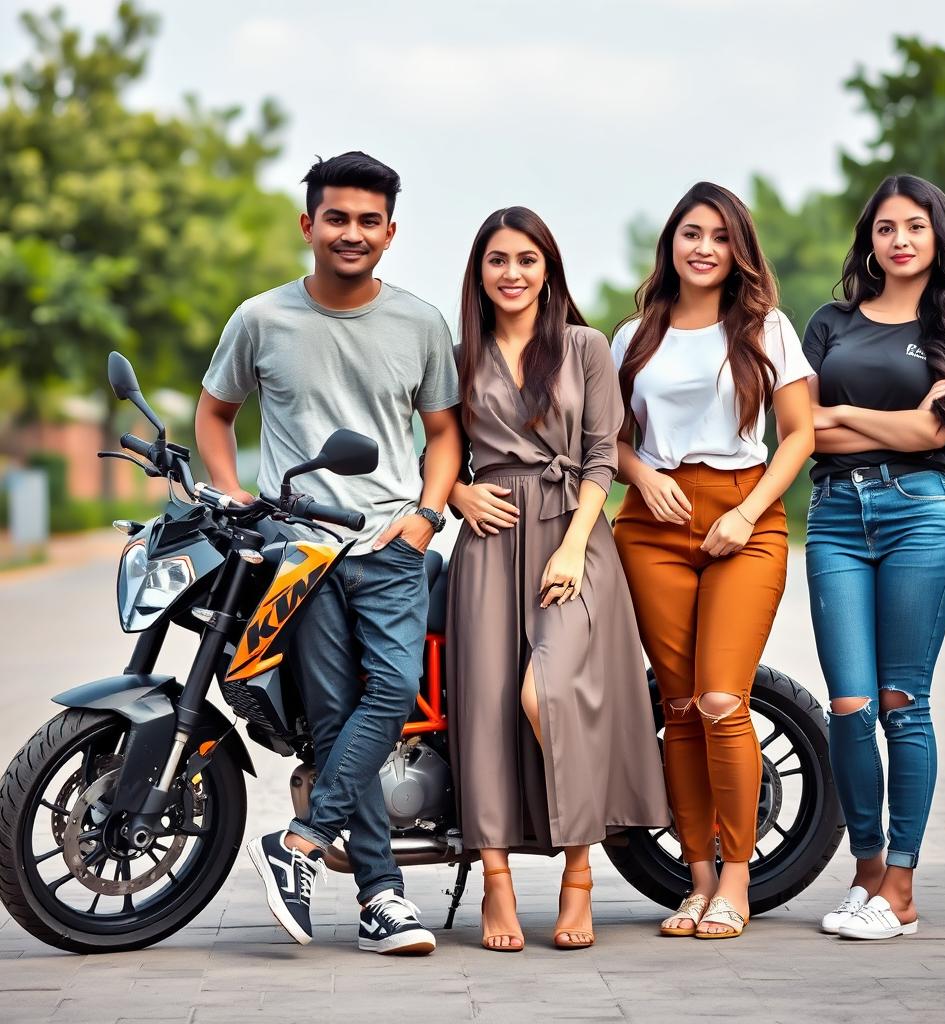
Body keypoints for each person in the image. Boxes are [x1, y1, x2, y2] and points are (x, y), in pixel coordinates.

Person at [196, 151, 462, 954]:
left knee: (394, 689)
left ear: (390, 232)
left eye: (369, 221)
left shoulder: (419, 323)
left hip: (388, 543)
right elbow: (216, 413)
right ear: (308, 224)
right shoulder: (261, 319)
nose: (352, 233)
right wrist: (232, 491)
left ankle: (301, 842)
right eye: (337, 218)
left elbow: (445, 434)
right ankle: (383, 901)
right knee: (339, 719)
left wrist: (426, 513)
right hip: (298, 553)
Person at [445, 206, 669, 952]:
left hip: (575, 537)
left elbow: (603, 455)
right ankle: (496, 883)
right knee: (485, 714)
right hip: (487, 541)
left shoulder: (584, 346)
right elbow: (438, 453)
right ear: (479, 272)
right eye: (498, 260)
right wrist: (454, 494)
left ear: (549, 272)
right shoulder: (455, 356)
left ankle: (580, 874)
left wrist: (574, 544)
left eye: (527, 260)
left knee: (551, 695)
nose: (512, 273)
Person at [611, 182, 815, 939]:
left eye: (719, 236)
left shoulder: (767, 328)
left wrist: (747, 511)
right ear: (671, 243)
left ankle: (737, 879)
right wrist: (643, 476)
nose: (702, 247)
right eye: (690, 233)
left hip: (744, 520)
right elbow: (611, 440)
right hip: (651, 525)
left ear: (738, 251)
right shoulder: (631, 337)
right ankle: (695, 882)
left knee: (722, 700)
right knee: (678, 708)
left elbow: (797, 434)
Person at [803, 174, 945, 940]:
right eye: (886, 228)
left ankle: (903, 889)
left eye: (914, 226)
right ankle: (866, 872)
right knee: (848, 707)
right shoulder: (831, 322)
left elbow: (931, 436)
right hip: (835, 518)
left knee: (900, 703)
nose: (901, 240)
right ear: (870, 240)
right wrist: (875, 421)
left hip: (919, 515)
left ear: (937, 236)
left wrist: (844, 412)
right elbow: (800, 431)